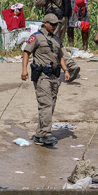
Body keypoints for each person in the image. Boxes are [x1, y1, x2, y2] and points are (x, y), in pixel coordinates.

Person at [21, 13, 70, 146]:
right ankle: (46, 134)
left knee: (51, 105)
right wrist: (24, 70)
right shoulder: (36, 37)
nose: (54, 26)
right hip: (42, 76)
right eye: (52, 24)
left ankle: (39, 134)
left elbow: (60, 56)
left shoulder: (56, 39)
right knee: (45, 104)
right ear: (45, 23)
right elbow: (26, 53)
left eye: (56, 24)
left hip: (55, 75)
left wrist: (66, 71)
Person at [33, 0, 81, 80]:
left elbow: (39, 2)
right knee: (58, 43)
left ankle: (71, 66)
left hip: (54, 18)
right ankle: (63, 68)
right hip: (64, 16)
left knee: (54, 44)